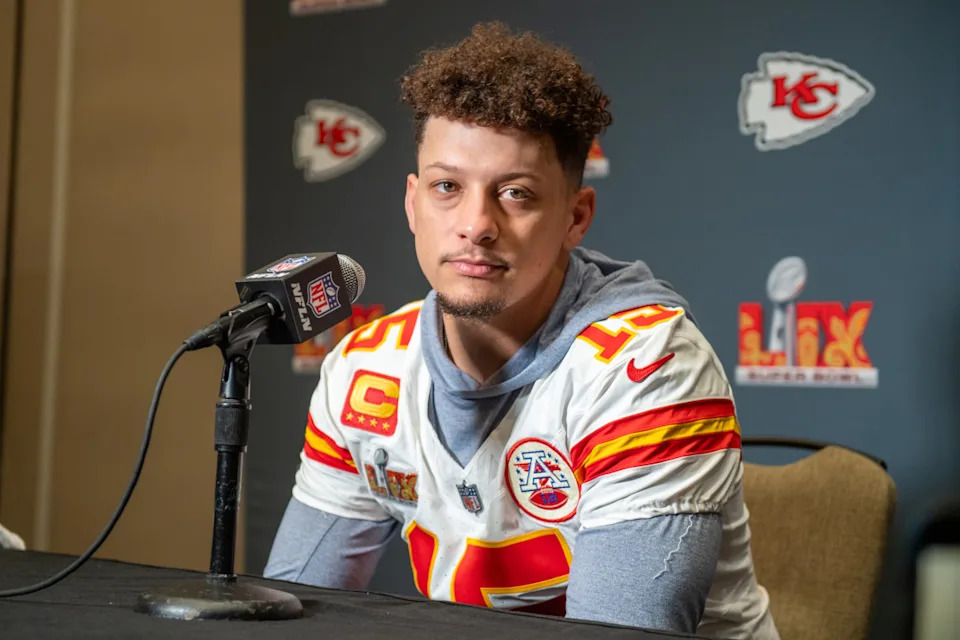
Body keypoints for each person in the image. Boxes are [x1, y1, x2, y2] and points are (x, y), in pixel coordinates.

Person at [265, 22, 779, 638]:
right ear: (412, 203)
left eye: (515, 193)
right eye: (447, 187)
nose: (476, 224)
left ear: (575, 216)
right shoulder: (364, 367)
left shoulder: (646, 367)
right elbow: (289, 607)